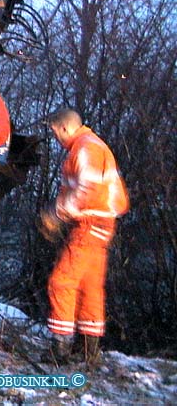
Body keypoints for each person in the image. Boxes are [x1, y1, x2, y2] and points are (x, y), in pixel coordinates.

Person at [39, 108, 129, 367]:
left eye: (55, 132)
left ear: (65, 128)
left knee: (61, 282)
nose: (56, 138)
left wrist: (56, 215)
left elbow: (86, 191)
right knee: (90, 287)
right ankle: (89, 349)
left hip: (89, 225)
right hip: (103, 226)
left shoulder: (85, 149)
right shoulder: (96, 146)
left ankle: (61, 348)